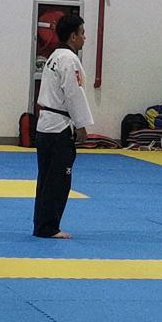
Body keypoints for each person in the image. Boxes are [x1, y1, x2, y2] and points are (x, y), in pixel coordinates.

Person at [33, 12, 94, 239]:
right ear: (72, 36)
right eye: (82, 33)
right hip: (59, 128)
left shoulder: (54, 57)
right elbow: (73, 93)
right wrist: (82, 125)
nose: (84, 38)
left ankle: (42, 224)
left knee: (46, 178)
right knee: (58, 179)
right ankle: (48, 227)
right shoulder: (69, 60)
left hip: (46, 126)